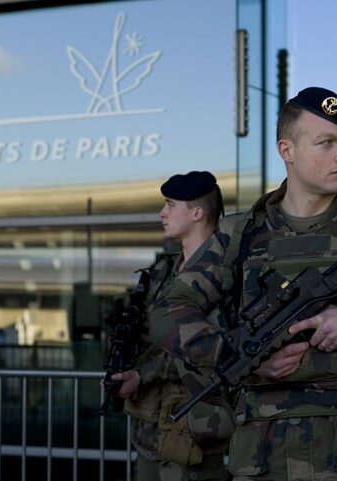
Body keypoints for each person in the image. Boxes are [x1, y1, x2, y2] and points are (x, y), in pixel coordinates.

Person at [151, 87, 337, 481]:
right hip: (264, 462)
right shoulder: (239, 234)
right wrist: (244, 355)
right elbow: (167, 314)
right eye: (326, 142)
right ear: (286, 150)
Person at [110, 171, 235, 481]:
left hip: (194, 429)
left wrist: (143, 373)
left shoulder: (224, 272)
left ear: (197, 212)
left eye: (169, 205)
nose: (161, 213)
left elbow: (204, 347)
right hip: (152, 427)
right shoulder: (164, 269)